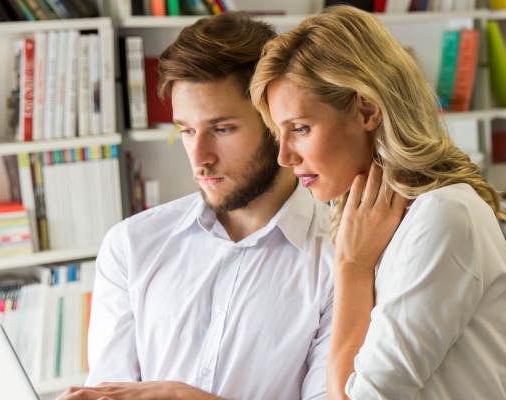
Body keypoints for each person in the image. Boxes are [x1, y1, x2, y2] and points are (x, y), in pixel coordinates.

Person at [249, 5, 506, 399]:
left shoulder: (442, 216)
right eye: (280, 133)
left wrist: (353, 268)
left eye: (301, 129)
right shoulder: (367, 223)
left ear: (367, 110)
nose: (285, 157)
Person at [59, 13, 333, 400]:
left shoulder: (342, 259)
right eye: (186, 130)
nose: (199, 156)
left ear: (279, 124)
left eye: (222, 129)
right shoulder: (132, 245)